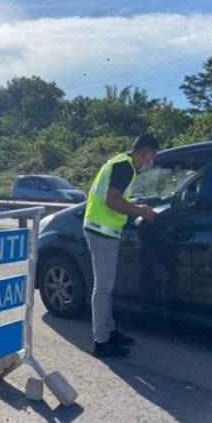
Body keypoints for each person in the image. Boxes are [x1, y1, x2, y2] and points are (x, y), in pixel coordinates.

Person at [84, 133, 160, 358]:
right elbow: (111, 200)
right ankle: (101, 342)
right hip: (101, 230)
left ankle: (109, 330)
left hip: (101, 228)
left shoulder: (119, 163)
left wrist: (136, 204)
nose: (149, 163)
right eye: (150, 158)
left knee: (106, 286)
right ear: (144, 153)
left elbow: (116, 197)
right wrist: (141, 211)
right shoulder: (125, 167)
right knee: (103, 288)